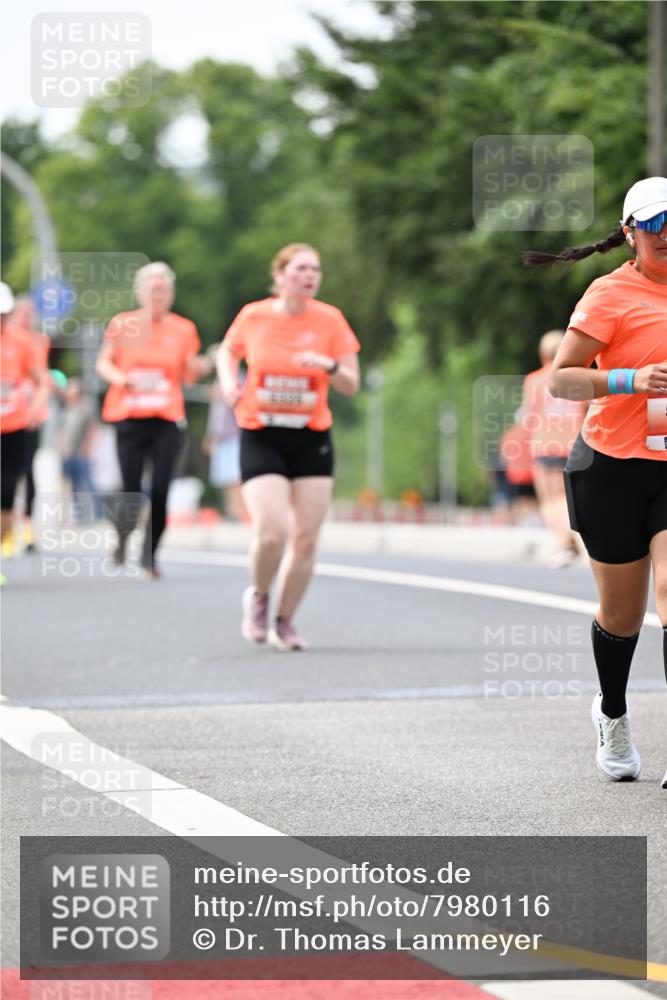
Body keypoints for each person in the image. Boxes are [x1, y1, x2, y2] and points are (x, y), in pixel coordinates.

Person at [523, 176, 667, 790]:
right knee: (623, 613)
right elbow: (561, 380)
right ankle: (612, 712)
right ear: (631, 232)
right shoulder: (611, 294)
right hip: (612, 466)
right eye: (656, 226)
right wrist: (632, 381)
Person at [217, 242, 360, 650]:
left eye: (315, 270)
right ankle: (260, 597)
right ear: (280, 276)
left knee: (307, 539)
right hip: (261, 432)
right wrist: (230, 383)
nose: (310, 276)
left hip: (310, 437)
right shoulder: (254, 316)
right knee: (271, 533)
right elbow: (228, 352)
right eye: (300, 269)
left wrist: (329, 365)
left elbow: (351, 383)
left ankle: (285, 619)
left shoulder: (330, 320)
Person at [95, 262, 211, 578]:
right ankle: (121, 539)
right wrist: (122, 379)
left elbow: (188, 372)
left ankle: (149, 556)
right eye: (153, 289)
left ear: (171, 294)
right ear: (141, 291)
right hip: (129, 417)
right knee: (131, 488)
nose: (158, 295)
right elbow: (103, 363)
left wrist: (201, 367)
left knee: (161, 489)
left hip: (166, 419)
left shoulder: (183, 329)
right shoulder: (123, 324)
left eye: (164, 289)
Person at [521, 330, 586, 566]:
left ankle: (564, 541)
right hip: (575, 444)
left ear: (543, 354)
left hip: (545, 444)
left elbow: (529, 415)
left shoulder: (535, 380)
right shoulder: (579, 378)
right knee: (565, 496)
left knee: (550, 499)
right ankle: (567, 538)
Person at [0, 283, 50, 579]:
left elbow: (42, 380)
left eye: (4, 315)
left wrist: (36, 407)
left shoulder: (22, 342)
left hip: (15, 424)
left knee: (7, 491)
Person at [203, 378, 245, 522]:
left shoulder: (240, 377)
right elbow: (216, 416)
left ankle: (240, 512)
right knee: (226, 479)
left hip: (235, 435)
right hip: (221, 438)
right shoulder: (218, 381)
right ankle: (231, 511)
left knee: (236, 477)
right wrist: (211, 436)